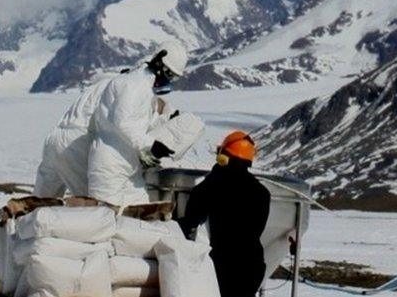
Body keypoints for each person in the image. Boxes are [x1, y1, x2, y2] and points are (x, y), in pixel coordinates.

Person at [87, 44, 188, 206]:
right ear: (159, 64)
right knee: (105, 221)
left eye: (174, 77)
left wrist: (166, 120)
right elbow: (122, 122)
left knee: (142, 215)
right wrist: (151, 145)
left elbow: (139, 123)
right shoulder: (134, 85)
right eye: (169, 74)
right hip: (110, 165)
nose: (169, 80)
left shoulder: (144, 87)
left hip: (129, 165)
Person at [178, 131, 271, 297]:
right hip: (253, 268)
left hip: (224, 267)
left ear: (224, 157)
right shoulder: (262, 193)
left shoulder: (214, 184)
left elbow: (192, 217)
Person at [33, 68, 122, 198]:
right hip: (75, 143)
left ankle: (20, 217)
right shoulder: (121, 89)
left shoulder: (98, 86)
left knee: (39, 202)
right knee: (91, 202)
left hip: (54, 138)